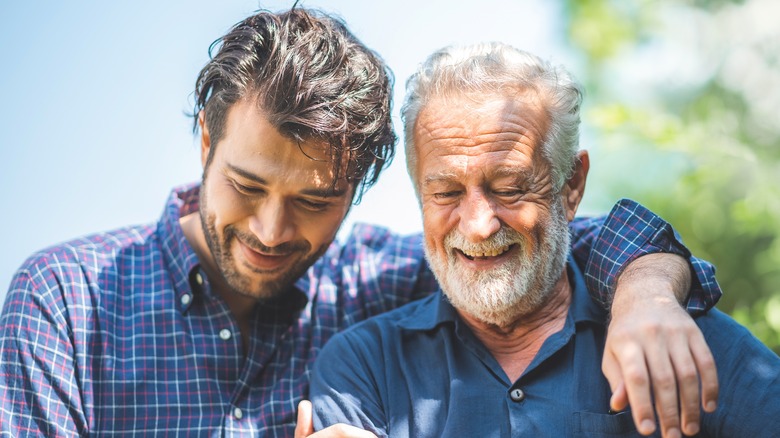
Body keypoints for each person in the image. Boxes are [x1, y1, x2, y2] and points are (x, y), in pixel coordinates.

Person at [0, 8, 720, 437]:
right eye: (247, 186)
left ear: (358, 189)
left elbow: (543, 237)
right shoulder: (66, 300)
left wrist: (648, 293)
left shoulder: (380, 280)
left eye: (314, 201)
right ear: (206, 146)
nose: (272, 231)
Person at [308, 42, 780, 438]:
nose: (477, 225)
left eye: (509, 188)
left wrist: (650, 291)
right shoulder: (363, 367)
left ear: (571, 186)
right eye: (447, 192)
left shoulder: (663, 330)